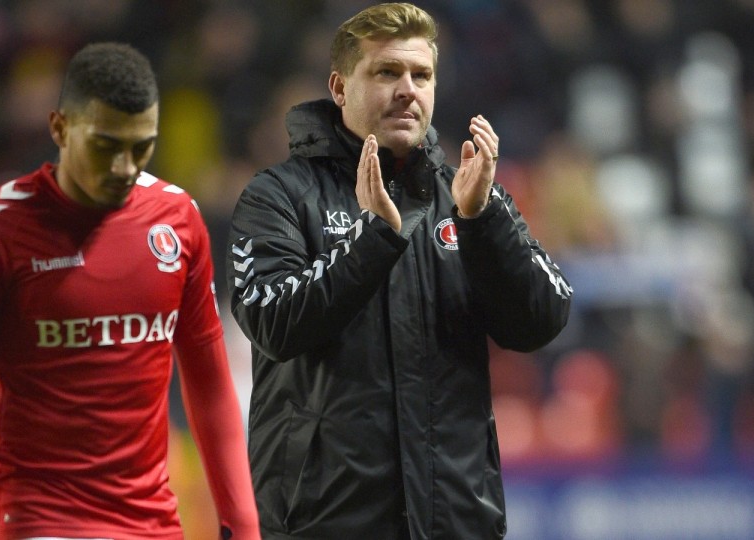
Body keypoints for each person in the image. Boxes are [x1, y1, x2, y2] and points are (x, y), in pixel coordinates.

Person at [226, 3, 573, 539]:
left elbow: (542, 320)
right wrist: (373, 239)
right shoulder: (278, 196)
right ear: (340, 88)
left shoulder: (468, 197)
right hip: (323, 525)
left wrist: (484, 223)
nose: (408, 89)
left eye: (421, 75)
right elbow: (273, 323)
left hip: (456, 522)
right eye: (386, 72)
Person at [0, 42, 260, 540]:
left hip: (153, 525)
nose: (124, 166)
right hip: (38, 523)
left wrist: (244, 528)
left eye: (141, 146)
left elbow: (210, 390)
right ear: (60, 128)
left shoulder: (177, 222)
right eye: (105, 145)